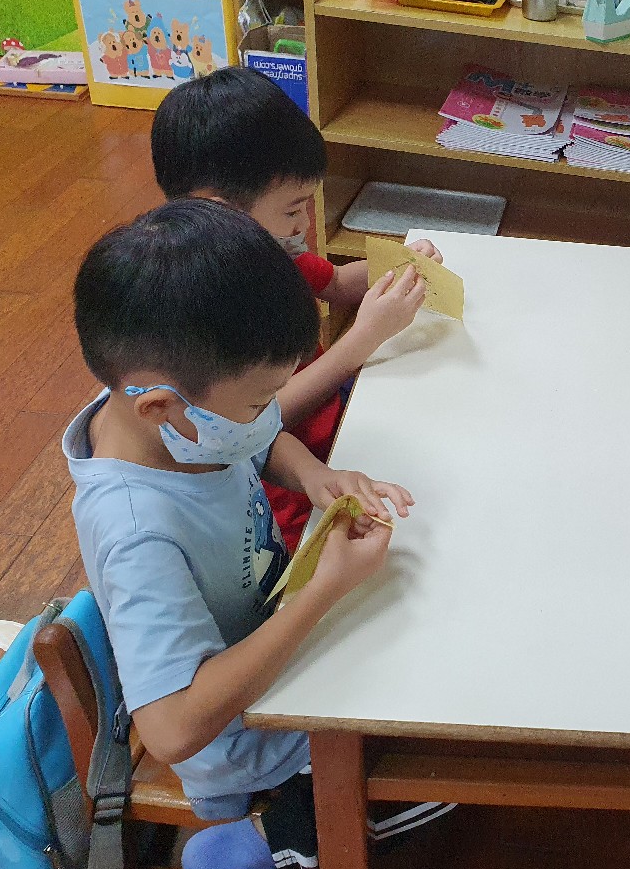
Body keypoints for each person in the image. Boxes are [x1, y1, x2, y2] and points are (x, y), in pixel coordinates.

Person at [65, 200, 450, 869]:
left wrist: (314, 474)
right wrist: (323, 591)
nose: (270, 413)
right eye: (257, 401)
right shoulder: (137, 534)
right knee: (450, 768)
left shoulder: (161, 414)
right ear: (159, 406)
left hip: (280, 637)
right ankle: (265, 840)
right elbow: (172, 729)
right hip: (245, 737)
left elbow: (256, 438)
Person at [151, 67, 440, 551]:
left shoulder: (271, 251)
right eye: (291, 209)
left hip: (334, 434)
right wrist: (362, 341)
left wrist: (401, 265)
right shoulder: (205, 305)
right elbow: (254, 424)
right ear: (220, 210)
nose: (305, 224)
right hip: (284, 491)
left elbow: (338, 282)